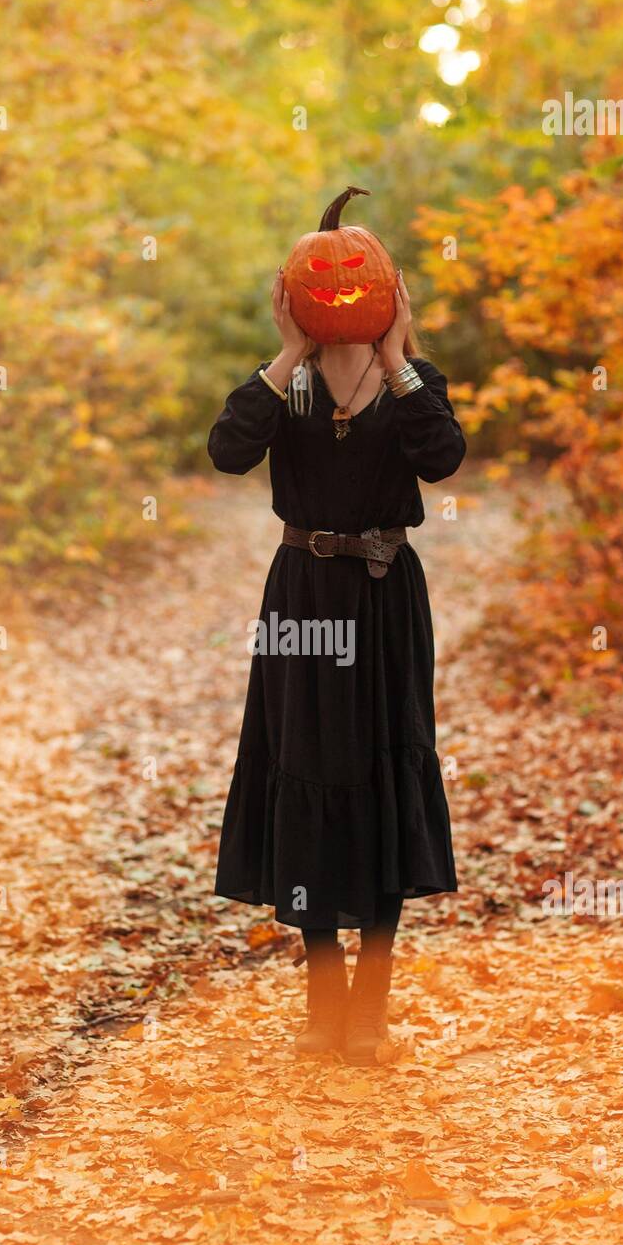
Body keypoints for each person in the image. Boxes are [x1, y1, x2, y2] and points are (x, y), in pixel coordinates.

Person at [207, 263, 466, 1065]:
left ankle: (371, 1009)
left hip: (386, 599)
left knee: (386, 770)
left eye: (362, 280)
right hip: (303, 597)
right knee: (307, 768)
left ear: (388, 293)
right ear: (292, 296)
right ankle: (325, 1002)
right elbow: (225, 450)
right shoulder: (290, 387)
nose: (342, 293)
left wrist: (396, 360)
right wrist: (286, 356)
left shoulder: (415, 380)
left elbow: (443, 458)